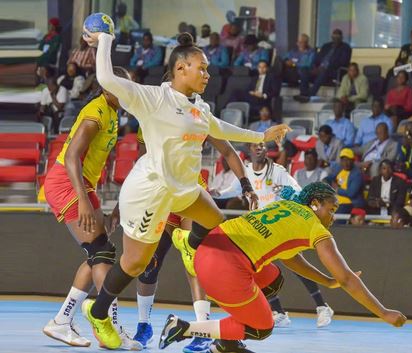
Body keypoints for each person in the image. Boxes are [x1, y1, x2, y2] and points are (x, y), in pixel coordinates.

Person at [80, 30, 289, 349]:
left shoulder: (200, 108)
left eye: (207, 68)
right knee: (135, 265)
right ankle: (98, 312)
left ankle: (190, 243)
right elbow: (106, 77)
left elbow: (222, 129)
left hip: (185, 190)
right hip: (151, 193)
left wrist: (261, 137)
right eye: (201, 67)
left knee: (216, 221)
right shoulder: (153, 99)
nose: (208, 73)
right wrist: (105, 40)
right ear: (180, 69)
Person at [160, 182, 406, 353]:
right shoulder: (316, 229)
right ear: (315, 203)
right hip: (223, 269)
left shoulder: (284, 206)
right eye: (331, 210)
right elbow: (348, 279)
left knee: (274, 279)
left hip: (210, 249)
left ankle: (227, 344)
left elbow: (290, 259)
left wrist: (327, 281)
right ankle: (184, 329)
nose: (332, 218)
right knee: (261, 328)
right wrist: (383, 312)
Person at [42, 67, 142, 350]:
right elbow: (72, 156)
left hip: (84, 185)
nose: (127, 91)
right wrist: (84, 201)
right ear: (107, 86)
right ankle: (108, 327)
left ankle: (62, 320)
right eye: (122, 85)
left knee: (98, 253)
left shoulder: (113, 112)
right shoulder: (95, 113)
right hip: (68, 183)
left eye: (129, 86)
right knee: (102, 255)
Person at [134, 130, 258, 352]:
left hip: (192, 196)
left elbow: (228, 150)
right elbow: (142, 160)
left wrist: (246, 186)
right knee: (149, 264)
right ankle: (144, 326)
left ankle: (202, 331)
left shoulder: (197, 114)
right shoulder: (147, 115)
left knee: (194, 261)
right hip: (161, 196)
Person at [211, 143, 335, 330]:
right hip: (260, 229)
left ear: (267, 150)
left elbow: (300, 192)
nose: (259, 147)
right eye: (255, 145)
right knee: (258, 270)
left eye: (262, 145)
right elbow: (234, 190)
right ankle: (279, 312)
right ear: (249, 151)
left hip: (281, 227)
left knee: (297, 266)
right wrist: (217, 193)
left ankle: (322, 307)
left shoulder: (277, 171)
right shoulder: (245, 171)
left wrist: (285, 192)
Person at [294, 29, 351, 103]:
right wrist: (314, 67)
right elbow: (317, 58)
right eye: (334, 36)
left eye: (338, 37)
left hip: (334, 71)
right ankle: (303, 93)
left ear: (341, 37)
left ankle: (310, 95)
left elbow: (343, 62)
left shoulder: (346, 48)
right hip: (319, 69)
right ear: (331, 37)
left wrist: (326, 67)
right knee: (304, 69)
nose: (335, 38)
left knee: (324, 72)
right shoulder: (326, 46)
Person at [326, 148, 365, 214]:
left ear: (353, 161)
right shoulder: (339, 168)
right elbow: (329, 178)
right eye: (343, 160)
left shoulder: (357, 174)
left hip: (350, 203)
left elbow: (351, 193)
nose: (346, 163)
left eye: (348, 160)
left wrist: (336, 189)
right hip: (336, 201)